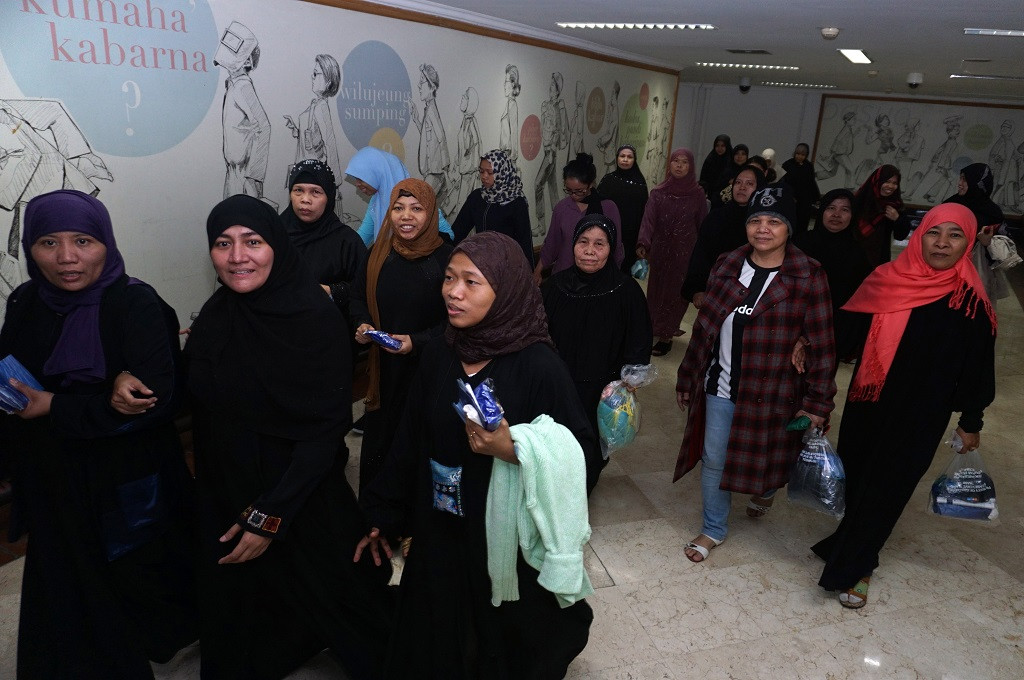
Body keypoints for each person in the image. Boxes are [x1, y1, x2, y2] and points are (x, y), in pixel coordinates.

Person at [357, 231, 600, 677]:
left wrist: (515, 450)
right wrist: (383, 510)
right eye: (450, 277)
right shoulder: (441, 354)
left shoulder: (538, 366)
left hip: (500, 536)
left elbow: (581, 453)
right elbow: (409, 437)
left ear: (505, 289)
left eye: (472, 281)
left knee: (501, 636)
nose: (453, 291)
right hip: (440, 524)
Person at [186, 195, 393, 679]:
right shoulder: (218, 314)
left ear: (275, 246)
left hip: (298, 494)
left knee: (367, 634)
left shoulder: (313, 318)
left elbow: (324, 432)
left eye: (252, 241)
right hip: (228, 488)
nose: (237, 256)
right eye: (223, 243)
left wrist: (268, 517)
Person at [0, 190, 196, 677]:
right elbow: (15, 379)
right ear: (29, 247)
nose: (66, 257)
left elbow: (159, 403)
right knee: (67, 592)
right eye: (48, 242)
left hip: (124, 478)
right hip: (53, 474)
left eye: (83, 240)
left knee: (133, 584)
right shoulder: (26, 301)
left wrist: (57, 406)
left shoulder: (136, 304)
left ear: (106, 242)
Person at [810, 203, 996, 609]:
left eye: (955, 235)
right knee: (857, 478)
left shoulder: (970, 301)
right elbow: (847, 332)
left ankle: (856, 566)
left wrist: (971, 419)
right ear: (918, 236)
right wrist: (806, 350)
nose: (942, 243)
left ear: (967, 242)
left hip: (922, 413)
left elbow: (978, 367)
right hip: (869, 402)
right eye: (934, 232)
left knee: (889, 488)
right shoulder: (885, 279)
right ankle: (849, 543)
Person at [674, 185, 836, 563]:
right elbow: (704, 328)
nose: (763, 229)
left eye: (775, 221)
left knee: (770, 461)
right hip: (721, 384)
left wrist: (817, 403)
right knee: (715, 457)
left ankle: (766, 490)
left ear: (789, 228)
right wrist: (688, 376)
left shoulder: (808, 275)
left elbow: (823, 344)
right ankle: (713, 527)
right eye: (756, 220)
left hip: (775, 393)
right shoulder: (728, 263)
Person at [350, 179, 454, 493]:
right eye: (398, 208)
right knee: (382, 444)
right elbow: (356, 297)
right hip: (385, 373)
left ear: (432, 213)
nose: (405, 216)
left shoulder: (448, 259)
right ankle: (377, 520)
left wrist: (416, 341)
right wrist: (363, 323)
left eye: (416, 209)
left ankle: (413, 525)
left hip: (429, 373)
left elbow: (457, 322)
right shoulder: (377, 254)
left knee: (420, 446)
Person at [542, 213, 653, 457]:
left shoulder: (626, 291)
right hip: (559, 386)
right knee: (556, 449)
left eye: (599, 244)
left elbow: (639, 338)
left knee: (589, 453)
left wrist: (631, 380)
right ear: (573, 245)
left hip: (603, 391)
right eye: (583, 241)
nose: (589, 250)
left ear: (610, 248)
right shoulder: (553, 287)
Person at [636, 148, 708, 356]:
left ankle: (666, 334)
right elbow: (648, 220)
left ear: (691, 166)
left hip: (685, 253)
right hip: (661, 251)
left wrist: (702, 254)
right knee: (657, 292)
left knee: (677, 294)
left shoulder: (697, 194)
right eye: (675, 161)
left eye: (684, 162)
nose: (679, 165)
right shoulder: (658, 192)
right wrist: (643, 242)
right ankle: (653, 327)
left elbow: (703, 223)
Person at [281, 159, 367, 324]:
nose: (305, 199)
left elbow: (365, 290)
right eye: (298, 190)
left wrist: (331, 291)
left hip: (330, 333)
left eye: (316, 192)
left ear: (329, 197)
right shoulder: (274, 235)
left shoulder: (346, 241)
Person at [682, 165, 767, 310]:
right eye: (738, 182)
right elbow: (701, 254)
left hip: (752, 297)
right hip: (715, 293)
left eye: (749, 184)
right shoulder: (716, 217)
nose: (742, 187)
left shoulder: (764, 223)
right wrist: (697, 289)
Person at [534, 152, 623, 281]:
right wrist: (537, 271)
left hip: (598, 277)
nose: (574, 195)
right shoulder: (562, 208)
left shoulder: (608, 208)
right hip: (564, 275)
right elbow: (552, 243)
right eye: (569, 190)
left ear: (591, 184)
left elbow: (616, 247)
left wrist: (614, 276)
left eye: (579, 191)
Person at [344, 146, 454, 247]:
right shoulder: (376, 201)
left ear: (378, 173)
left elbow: (448, 235)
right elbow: (362, 237)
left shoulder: (419, 197)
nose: (357, 184)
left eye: (361, 179)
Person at [794, 188, 872, 319]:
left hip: (840, 321)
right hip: (798, 315)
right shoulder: (801, 244)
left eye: (845, 210)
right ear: (822, 211)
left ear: (853, 215)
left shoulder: (858, 252)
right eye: (831, 208)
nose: (836, 214)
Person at [452, 149, 533, 267]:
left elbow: (525, 240)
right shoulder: (477, 197)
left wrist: (529, 273)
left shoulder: (516, 202)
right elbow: (458, 230)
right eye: (481, 171)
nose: (484, 176)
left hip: (508, 266)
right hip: (482, 264)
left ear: (502, 172)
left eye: (490, 172)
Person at [943, 162, 1011, 304]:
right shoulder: (951, 205)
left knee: (972, 310)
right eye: (960, 178)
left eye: (965, 180)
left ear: (977, 183)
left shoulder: (992, 212)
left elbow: (1006, 253)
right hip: (946, 270)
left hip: (977, 273)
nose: (959, 183)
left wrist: (988, 242)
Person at [284, 54, 343, 209]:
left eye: (316, 74)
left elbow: (330, 143)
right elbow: (311, 138)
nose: (312, 77)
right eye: (313, 73)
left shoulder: (321, 107)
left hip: (315, 180)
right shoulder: (314, 106)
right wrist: (296, 129)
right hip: (303, 175)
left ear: (328, 80)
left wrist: (335, 183)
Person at [597, 144, 649, 274]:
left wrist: (641, 241)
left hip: (630, 237)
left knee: (625, 271)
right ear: (617, 158)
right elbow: (597, 206)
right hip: (608, 233)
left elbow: (644, 213)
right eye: (622, 156)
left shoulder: (640, 184)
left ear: (634, 160)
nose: (625, 159)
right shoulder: (608, 180)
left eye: (629, 157)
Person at [852, 164, 911, 268]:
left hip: (878, 259)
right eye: (887, 181)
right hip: (853, 254)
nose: (891, 186)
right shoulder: (860, 200)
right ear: (877, 181)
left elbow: (900, 236)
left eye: (894, 183)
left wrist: (897, 219)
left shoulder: (895, 205)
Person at [780, 142, 821, 237]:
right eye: (798, 154)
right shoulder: (787, 165)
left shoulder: (808, 166)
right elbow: (783, 183)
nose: (799, 157)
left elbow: (811, 182)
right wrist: (789, 196)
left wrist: (816, 197)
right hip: (790, 199)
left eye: (802, 155)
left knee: (802, 223)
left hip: (805, 201)